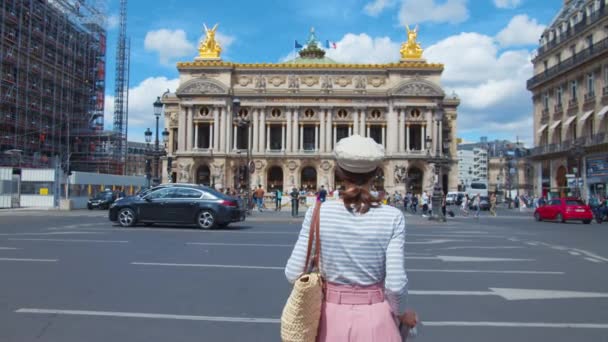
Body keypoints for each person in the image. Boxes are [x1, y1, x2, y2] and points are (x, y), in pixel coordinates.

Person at [285, 135, 412, 341]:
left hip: (328, 321)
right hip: (377, 320)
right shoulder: (392, 216)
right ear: (376, 173)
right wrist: (401, 313)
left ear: (339, 172)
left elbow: (293, 272)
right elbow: (396, 285)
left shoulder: (318, 212)